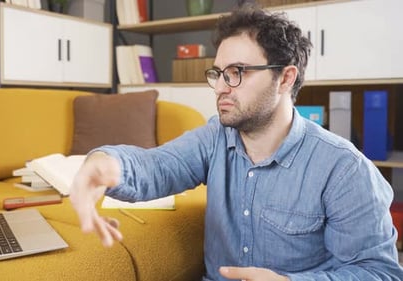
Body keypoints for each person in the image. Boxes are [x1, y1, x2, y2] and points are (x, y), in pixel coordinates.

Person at [69, 4, 403, 281]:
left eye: (238, 72)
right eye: (217, 73)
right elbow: (157, 165)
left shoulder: (343, 168)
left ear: (285, 78)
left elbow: (380, 272)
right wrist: (104, 165)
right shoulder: (215, 136)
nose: (220, 88)